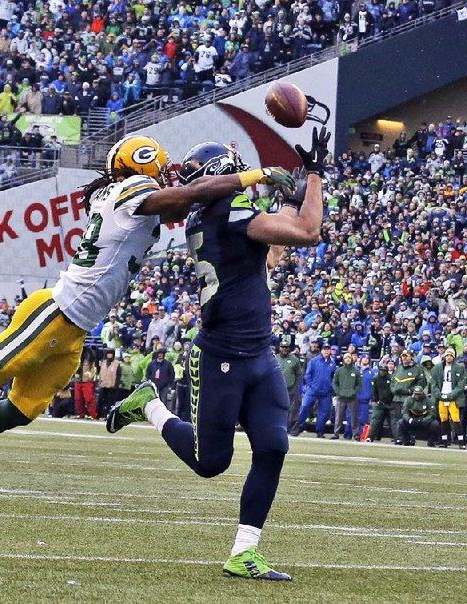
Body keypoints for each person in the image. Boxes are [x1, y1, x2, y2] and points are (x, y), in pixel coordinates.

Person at [0, 133, 295, 502]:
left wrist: (230, 179)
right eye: (161, 165)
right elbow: (189, 195)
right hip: (55, 313)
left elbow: (190, 203)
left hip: (75, 327)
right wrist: (253, 175)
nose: (168, 172)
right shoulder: (130, 192)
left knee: (22, 408)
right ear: (142, 165)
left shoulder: (133, 196)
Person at [106, 127, 328, 581]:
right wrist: (315, 179)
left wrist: (288, 196)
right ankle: (148, 404)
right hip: (220, 354)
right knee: (212, 463)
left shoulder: (212, 215)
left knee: (273, 447)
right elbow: (308, 231)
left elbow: (267, 255)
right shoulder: (228, 212)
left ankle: (244, 552)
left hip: (258, 352)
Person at [293, 341, 337, 438]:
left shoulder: (332, 364)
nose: (326, 351)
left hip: (326, 391)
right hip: (313, 390)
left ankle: (320, 431)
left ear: (330, 351)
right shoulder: (314, 361)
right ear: (321, 351)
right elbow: (307, 375)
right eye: (325, 349)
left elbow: (334, 377)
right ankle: (298, 427)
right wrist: (312, 385)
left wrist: (331, 387)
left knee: (324, 412)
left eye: (328, 349)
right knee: (304, 407)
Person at [429, 347, 466, 448]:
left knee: (456, 419)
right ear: (444, 356)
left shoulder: (459, 368)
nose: (449, 357)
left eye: (451, 356)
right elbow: (433, 383)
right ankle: (445, 440)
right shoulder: (437, 368)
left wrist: (452, 394)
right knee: (443, 419)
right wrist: (439, 394)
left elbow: (461, 384)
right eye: (447, 355)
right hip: (441, 397)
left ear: (453, 357)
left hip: (454, 398)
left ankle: (461, 441)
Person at [390, 349, 426, 444]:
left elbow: (422, 383)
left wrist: (410, 391)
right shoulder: (399, 367)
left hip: (409, 399)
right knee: (398, 420)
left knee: (409, 419)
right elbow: (393, 381)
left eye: (406, 356)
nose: (404, 358)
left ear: (411, 357)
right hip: (397, 398)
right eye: (403, 356)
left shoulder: (417, 368)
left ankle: (410, 438)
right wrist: (394, 390)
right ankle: (400, 438)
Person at [331, 352, 363, 440]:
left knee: (354, 417)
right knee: (338, 417)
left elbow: (359, 384)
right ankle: (336, 433)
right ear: (343, 359)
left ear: (352, 359)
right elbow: (334, 382)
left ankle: (356, 434)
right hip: (341, 397)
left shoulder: (356, 371)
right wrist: (338, 391)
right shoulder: (339, 370)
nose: (348, 359)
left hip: (352, 398)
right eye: (346, 358)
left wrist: (354, 392)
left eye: (349, 357)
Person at [276, 335, 303, 431]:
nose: (284, 349)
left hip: (290, 388)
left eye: (286, 347)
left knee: (291, 409)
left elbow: (299, 374)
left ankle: (288, 428)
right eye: (282, 347)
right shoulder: (275, 359)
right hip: (277, 389)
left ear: (289, 348)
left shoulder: (294, 360)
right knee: (277, 409)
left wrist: (295, 385)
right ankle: (276, 428)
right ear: (279, 348)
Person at [367, 359, 396, 442]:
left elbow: (393, 390)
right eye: (381, 370)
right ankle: (370, 437)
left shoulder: (391, 378)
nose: (383, 372)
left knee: (393, 422)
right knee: (375, 420)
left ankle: (397, 438)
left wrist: (392, 401)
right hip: (380, 402)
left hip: (390, 403)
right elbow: (374, 390)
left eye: (384, 370)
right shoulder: (376, 378)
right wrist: (375, 400)